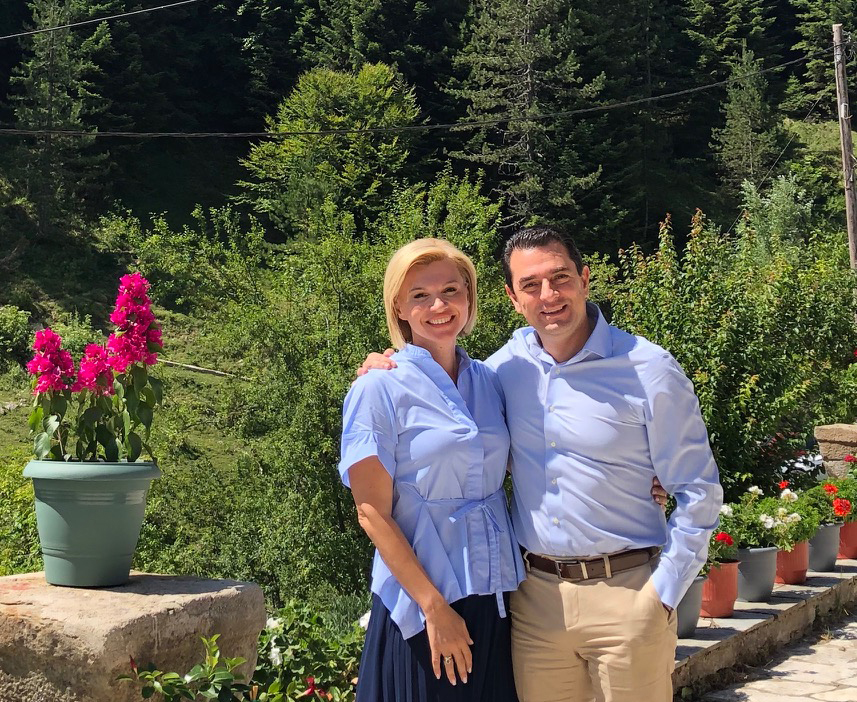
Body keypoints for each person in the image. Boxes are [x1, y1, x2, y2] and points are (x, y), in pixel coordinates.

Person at [359, 227, 723, 702]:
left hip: (628, 595)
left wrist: (663, 594)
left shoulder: (647, 368)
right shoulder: (502, 371)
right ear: (513, 298)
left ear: (585, 279)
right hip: (533, 604)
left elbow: (698, 489)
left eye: (560, 278)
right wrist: (387, 365)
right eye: (531, 285)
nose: (548, 295)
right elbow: (449, 438)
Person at [339, 238, 526, 702]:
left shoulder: (490, 381)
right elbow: (371, 513)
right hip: (425, 606)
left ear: (469, 296)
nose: (439, 306)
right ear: (398, 307)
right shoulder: (378, 388)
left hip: (494, 596)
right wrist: (433, 607)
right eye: (420, 295)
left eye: (450, 290)